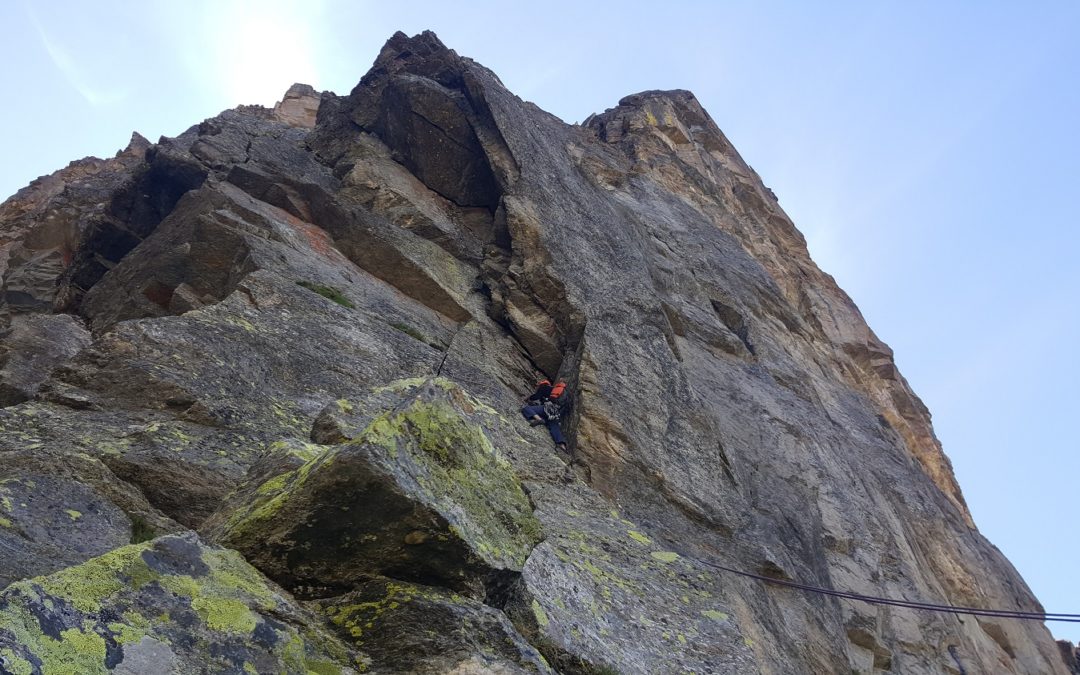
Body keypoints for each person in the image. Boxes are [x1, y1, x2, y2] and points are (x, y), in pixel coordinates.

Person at [521, 379, 567, 452]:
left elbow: (537, 396)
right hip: (555, 413)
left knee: (527, 408)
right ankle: (562, 445)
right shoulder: (561, 393)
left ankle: (538, 419)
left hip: (547, 408)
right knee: (554, 426)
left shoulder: (544, 387)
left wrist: (529, 398)